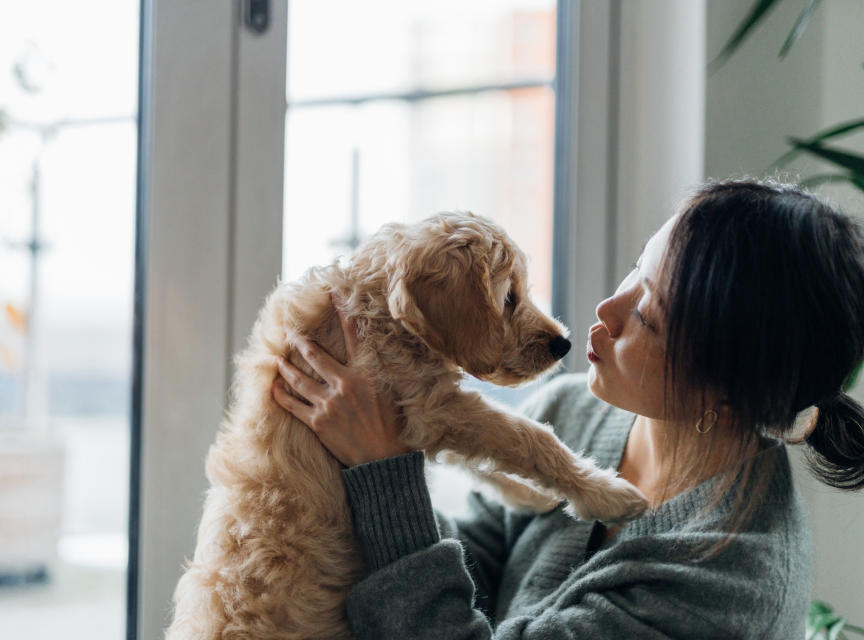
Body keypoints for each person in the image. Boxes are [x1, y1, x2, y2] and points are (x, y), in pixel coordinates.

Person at [271, 178, 864, 639]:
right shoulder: (572, 412)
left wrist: (385, 471)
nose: (607, 309)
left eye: (649, 316)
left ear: (727, 393)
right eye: (638, 267)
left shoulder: (718, 590)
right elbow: (475, 561)